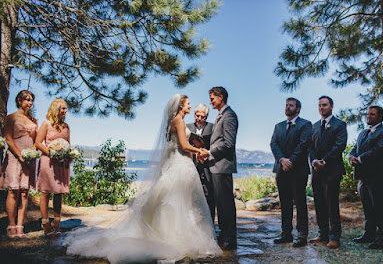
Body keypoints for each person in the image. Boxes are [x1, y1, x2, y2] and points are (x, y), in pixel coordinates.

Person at [63, 94, 222, 263]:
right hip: (180, 164)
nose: (191, 107)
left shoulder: (175, 121)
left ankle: (179, 234)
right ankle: (173, 236)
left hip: (181, 163)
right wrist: (201, 152)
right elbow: (183, 146)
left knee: (181, 201)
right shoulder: (179, 121)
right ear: (181, 106)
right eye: (188, 104)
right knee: (177, 201)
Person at [198, 86, 239, 250]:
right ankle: (224, 235)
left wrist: (209, 151)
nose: (210, 101)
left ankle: (229, 239)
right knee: (221, 205)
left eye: (212, 98)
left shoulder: (229, 116)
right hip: (216, 167)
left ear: (221, 97)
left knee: (226, 204)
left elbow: (228, 144)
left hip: (223, 167)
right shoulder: (220, 116)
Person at [349, 105, 383, 249]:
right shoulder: (363, 133)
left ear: (380, 117)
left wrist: (360, 158)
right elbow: (355, 148)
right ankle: (369, 234)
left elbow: (379, 150)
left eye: (372, 115)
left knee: (380, 208)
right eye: (368, 114)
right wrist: (351, 157)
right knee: (368, 208)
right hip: (363, 177)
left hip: (378, 177)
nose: (368, 116)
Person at [270, 97, 312, 247]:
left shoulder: (305, 124)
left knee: (300, 202)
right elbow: (273, 143)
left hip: (298, 170)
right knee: (285, 202)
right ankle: (286, 233)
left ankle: (302, 235)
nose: (287, 107)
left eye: (291, 105)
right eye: (286, 105)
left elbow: (303, 145)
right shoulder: (278, 126)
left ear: (298, 109)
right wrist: (282, 160)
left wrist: (291, 161)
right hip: (281, 169)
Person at [309, 96, 347, 248]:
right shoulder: (314, 126)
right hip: (316, 170)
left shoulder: (340, 124)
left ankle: (334, 237)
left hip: (332, 169)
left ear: (331, 106)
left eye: (324, 105)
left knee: (332, 203)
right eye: (319, 105)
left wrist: (324, 161)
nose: (321, 108)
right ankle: (323, 233)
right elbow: (310, 147)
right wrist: (314, 161)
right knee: (319, 202)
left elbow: (339, 146)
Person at [0, 90, 37, 238]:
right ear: (19, 101)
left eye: (31, 100)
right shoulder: (11, 118)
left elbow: (35, 140)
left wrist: (32, 154)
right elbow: (8, 138)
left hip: (28, 159)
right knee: (13, 191)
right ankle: (11, 225)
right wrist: (20, 155)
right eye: (27, 100)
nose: (29, 103)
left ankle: (20, 225)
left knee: (24, 191)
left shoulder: (33, 121)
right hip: (15, 157)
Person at [35, 99, 70, 236]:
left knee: (58, 192)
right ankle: (45, 223)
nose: (65, 111)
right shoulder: (46, 124)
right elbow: (38, 143)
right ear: (56, 109)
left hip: (61, 162)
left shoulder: (66, 126)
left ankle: (57, 223)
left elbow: (68, 144)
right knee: (45, 192)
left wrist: (67, 156)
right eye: (63, 108)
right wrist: (51, 153)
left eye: (66, 109)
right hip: (47, 162)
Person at [187, 104, 215, 221]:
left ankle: (210, 223)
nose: (199, 119)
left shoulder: (213, 128)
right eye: (197, 116)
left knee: (209, 196)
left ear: (206, 117)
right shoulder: (187, 127)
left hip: (207, 166)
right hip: (191, 164)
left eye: (202, 117)